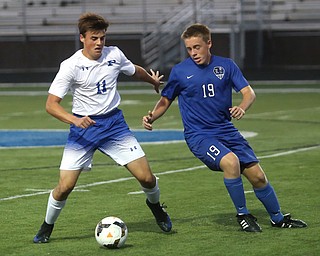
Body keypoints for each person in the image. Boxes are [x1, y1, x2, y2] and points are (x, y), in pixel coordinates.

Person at [142, 23, 307, 232]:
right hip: (199, 136)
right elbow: (166, 100)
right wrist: (152, 117)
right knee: (231, 162)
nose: (193, 53)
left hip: (227, 131)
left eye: (197, 47)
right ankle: (243, 215)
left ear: (209, 43)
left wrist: (242, 107)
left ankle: (278, 218)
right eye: (189, 49)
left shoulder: (226, 66)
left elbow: (249, 93)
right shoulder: (180, 71)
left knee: (258, 176)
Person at [33, 12, 172, 244]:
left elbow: (132, 69)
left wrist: (152, 80)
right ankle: (47, 226)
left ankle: (157, 208)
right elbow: (51, 105)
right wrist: (74, 120)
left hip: (114, 126)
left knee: (147, 178)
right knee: (65, 187)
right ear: (82, 38)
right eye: (94, 38)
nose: (99, 43)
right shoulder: (70, 66)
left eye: (102, 38)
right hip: (83, 130)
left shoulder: (114, 54)